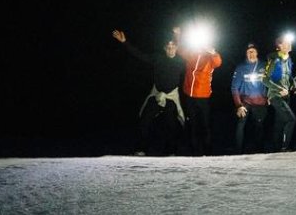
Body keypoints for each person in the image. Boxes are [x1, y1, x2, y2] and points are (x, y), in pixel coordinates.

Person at [111, 29, 185, 155]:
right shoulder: (158, 58)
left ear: (176, 48)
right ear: (164, 48)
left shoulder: (181, 61)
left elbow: (192, 54)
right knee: (145, 120)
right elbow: (139, 55)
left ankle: (171, 151)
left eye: (173, 46)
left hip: (171, 97)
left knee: (171, 123)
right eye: (168, 46)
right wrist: (125, 42)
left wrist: (177, 35)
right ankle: (141, 149)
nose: (170, 48)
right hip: (156, 94)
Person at [176, 27, 222, 155]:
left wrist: (213, 52)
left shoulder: (210, 58)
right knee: (193, 124)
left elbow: (218, 62)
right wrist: (178, 36)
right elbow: (179, 50)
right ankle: (195, 151)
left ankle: (208, 151)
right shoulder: (192, 53)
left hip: (203, 97)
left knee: (205, 124)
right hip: (189, 96)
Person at [230, 43, 269, 153]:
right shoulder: (241, 67)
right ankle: (238, 151)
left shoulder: (264, 65)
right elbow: (234, 87)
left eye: (253, 51)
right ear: (246, 54)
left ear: (257, 52)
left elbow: (271, 83)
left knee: (259, 126)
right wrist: (239, 105)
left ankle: (259, 151)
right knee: (241, 124)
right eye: (248, 52)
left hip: (260, 101)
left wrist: (270, 96)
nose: (251, 54)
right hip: (245, 101)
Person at [264, 35, 296, 150]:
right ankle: (285, 147)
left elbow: (288, 76)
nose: (289, 44)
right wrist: (280, 89)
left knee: (280, 123)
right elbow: (264, 79)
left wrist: (294, 85)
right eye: (286, 42)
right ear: (280, 46)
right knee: (291, 119)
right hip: (275, 96)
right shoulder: (274, 60)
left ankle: (276, 149)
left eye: (290, 42)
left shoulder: (288, 59)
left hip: (286, 96)